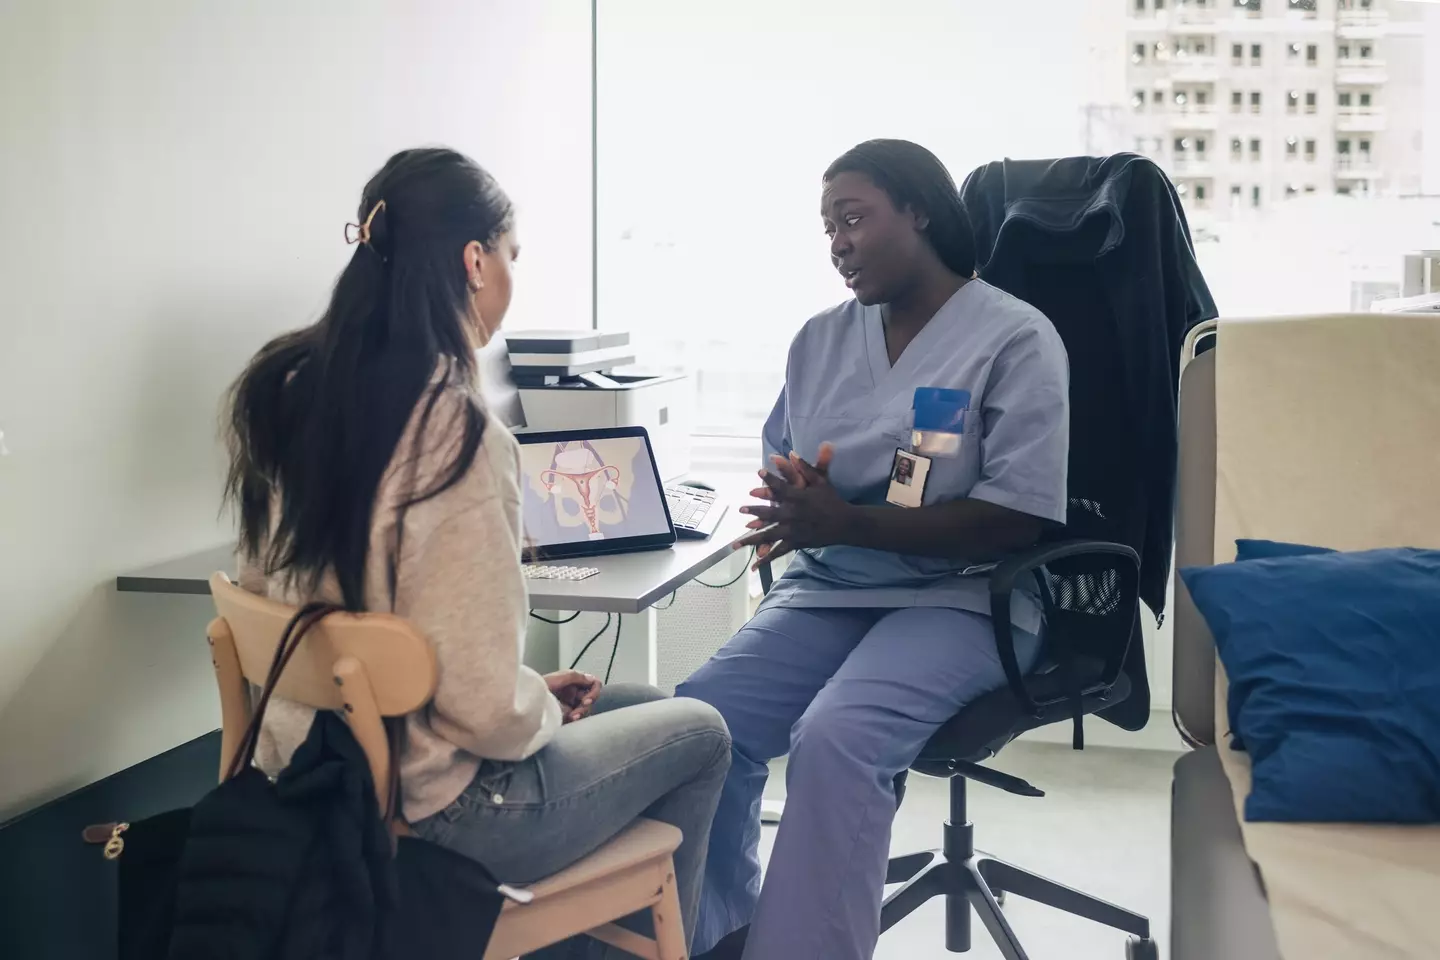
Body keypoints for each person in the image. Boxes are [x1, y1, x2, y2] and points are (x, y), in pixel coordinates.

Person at [225, 147, 730, 957]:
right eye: (512, 257)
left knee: (628, 698)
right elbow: (483, 713)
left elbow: (388, 636)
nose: (509, 278)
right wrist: (522, 700)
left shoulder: (289, 393)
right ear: (474, 261)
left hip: (311, 773)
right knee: (701, 730)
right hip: (437, 809)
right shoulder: (455, 434)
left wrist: (528, 690)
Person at [679, 139, 1070, 960]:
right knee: (698, 725)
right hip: (833, 586)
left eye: (854, 219)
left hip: (969, 594)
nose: (839, 244)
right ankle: (710, 936)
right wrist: (794, 504)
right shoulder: (818, 341)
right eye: (828, 229)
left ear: (919, 211)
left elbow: (1016, 518)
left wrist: (845, 521)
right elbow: (789, 463)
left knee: (838, 736)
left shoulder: (1014, 338)